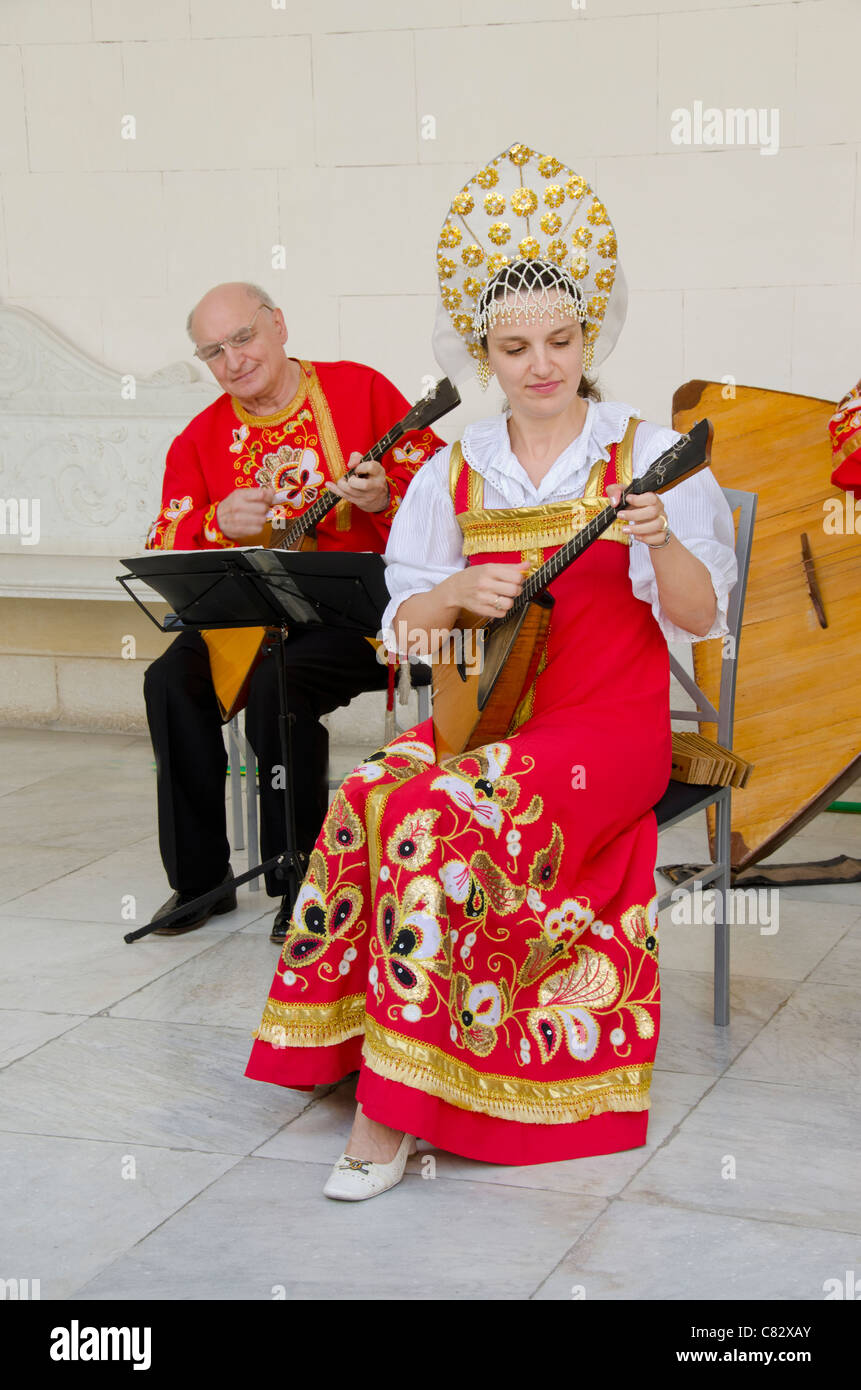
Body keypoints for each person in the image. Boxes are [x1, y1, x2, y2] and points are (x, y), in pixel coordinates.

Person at [245, 145, 738, 1198]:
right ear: (485, 350)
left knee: (439, 815)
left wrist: (660, 540)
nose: (541, 364)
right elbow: (405, 632)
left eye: (561, 340)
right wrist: (449, 596)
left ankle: (398, 1108)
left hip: (608, 730)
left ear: (588, 335)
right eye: (515, 347)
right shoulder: (455, 467)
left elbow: (703, 621)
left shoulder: (642, 451)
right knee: (374, 791)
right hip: (496, 719)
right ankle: (353, 1042)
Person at [143, 282, 444, 943]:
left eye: (243, 338)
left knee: (280, 686)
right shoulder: (199, 438)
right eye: (213, 352)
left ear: (278, 326)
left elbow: (445, 499)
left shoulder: (359, 390)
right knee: (168, 680)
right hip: (251, 618)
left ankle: (304, 883)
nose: (233, 362)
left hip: (359, 617)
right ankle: (200, 882)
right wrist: (214, 521)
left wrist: (378, 500)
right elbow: (161, 541)